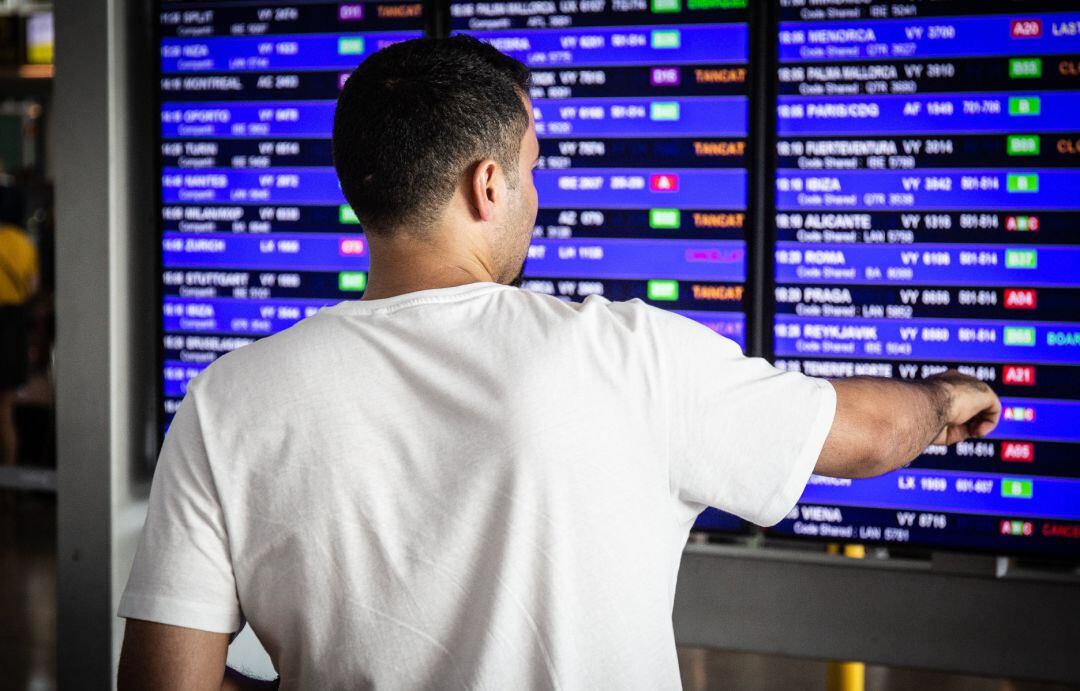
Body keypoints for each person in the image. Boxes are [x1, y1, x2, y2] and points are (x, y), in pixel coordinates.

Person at [117, 36, 1001, 690]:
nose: (534, 197)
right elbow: (867, 434)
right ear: (488, 184)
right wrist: (943, 398)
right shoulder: (626, 354)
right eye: (531, 170)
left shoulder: (226, 400)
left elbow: (160, 681)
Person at [0, 186, 38, 468]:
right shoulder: (25, 244)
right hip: (12, 329)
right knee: (6, 409)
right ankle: (10, 478)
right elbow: (32, 287)